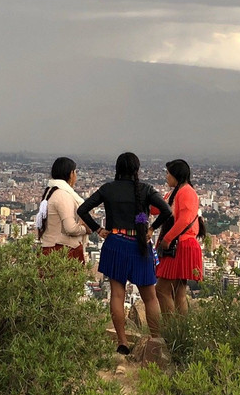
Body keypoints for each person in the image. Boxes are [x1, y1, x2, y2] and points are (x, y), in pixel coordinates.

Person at [78, 152, 172, 354]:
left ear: (117, 169)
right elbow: (167, 211)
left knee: (117, 294)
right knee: (150, 297)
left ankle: (122, 341)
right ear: (137, 170)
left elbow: (83, 209)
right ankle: (156, 341)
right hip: (138, 244)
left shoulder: (108, 189)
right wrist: (151, 228)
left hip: (115, 243)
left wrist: (97, 229)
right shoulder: (145, 189)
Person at [152, 159, 203, 317]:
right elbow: (156, 209)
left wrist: (167, 238)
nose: (166, 177)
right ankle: (181, 328)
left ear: (176, 175)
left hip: (179, 245)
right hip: (180, 244)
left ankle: (171, 327)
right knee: (178, 291)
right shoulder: (176, 192)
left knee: (162, 290)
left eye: (168, 173)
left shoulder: (186, 192)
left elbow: (185, 219)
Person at [38, 156, 89, 263]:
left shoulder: (51, 192)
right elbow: (70, 228)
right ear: (71, 174)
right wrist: (85, 229)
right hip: (63, 250)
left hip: (50, 246)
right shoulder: (63, 196)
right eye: (75, 172)